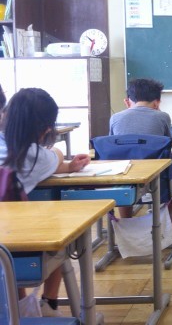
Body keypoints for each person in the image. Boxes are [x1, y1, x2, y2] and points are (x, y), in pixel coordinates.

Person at [0, 88, 91, 317]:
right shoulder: (32, 155)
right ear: (46, 129)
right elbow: (55, 155)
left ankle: (16, 306)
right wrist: (60, 156)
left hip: (5, 244)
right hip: (15, 250)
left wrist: (67, 167)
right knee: (59, 232)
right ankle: (49, 304)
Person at [110, 78, 172, 217]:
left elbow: (112, 145)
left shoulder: (115, 118)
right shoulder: (162, 117)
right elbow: (168, 144)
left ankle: (126, 222)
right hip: (156, 176)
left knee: (125, 187)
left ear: (127, 101)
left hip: (123, 175)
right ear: (157, 102)